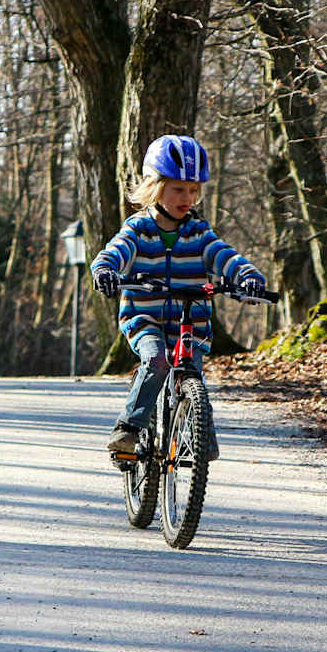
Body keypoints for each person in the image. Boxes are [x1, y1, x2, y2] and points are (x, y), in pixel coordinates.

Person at [90, 134, 265, 455]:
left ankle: (200, 438)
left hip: (191, 322)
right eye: (178, 189)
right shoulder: (138, 229)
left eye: (194, 190)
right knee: (157, 360)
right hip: (145, 317)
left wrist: (247, 277)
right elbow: (115, 251)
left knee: (192, 373)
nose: (188, 197)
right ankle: (129, 427)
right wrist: (105, 271)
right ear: (155, 187)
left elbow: (224, 256)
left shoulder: (198, 232)